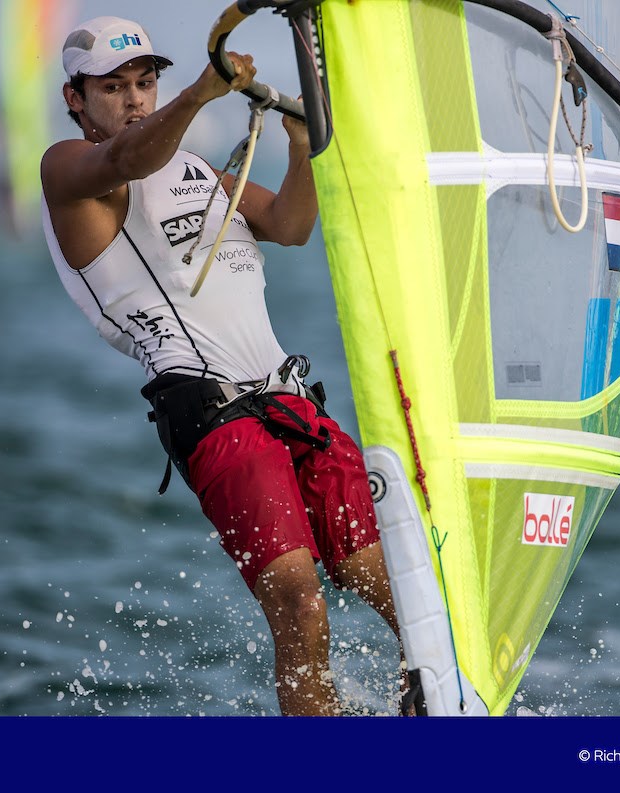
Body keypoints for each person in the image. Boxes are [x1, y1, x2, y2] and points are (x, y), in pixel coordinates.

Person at [40, 16, 404, 716]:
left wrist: (299, 145)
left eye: (145, 82)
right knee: (298, 601)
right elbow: (127, 160)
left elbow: (291, 226)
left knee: (391, 579)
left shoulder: (199, 171)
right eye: (113, 88)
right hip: (209, 414)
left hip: (289, 399)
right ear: (75, 99)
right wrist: (200, 94)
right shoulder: (68, 169)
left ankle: (439, 709)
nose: (134, 98)